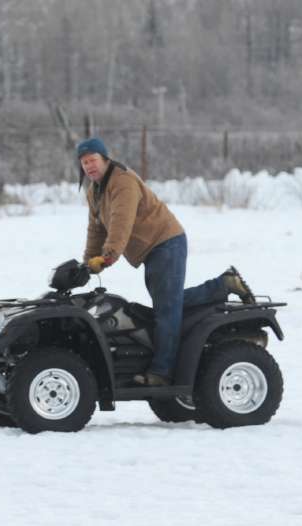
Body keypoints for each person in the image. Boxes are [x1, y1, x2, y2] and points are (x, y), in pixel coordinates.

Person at [77, 137, 255, 387]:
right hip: (151, 248)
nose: (89, 167)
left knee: (166, 310)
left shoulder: (122, 181)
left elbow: (121, 221)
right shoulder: (94, 192)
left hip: (166, 242)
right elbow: (96, 229)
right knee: (167, 304)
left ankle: (162, 372)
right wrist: (86, 263)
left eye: (92, 160)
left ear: (105, 159)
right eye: (84, 163)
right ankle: (224, 284)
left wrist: (108, 256)